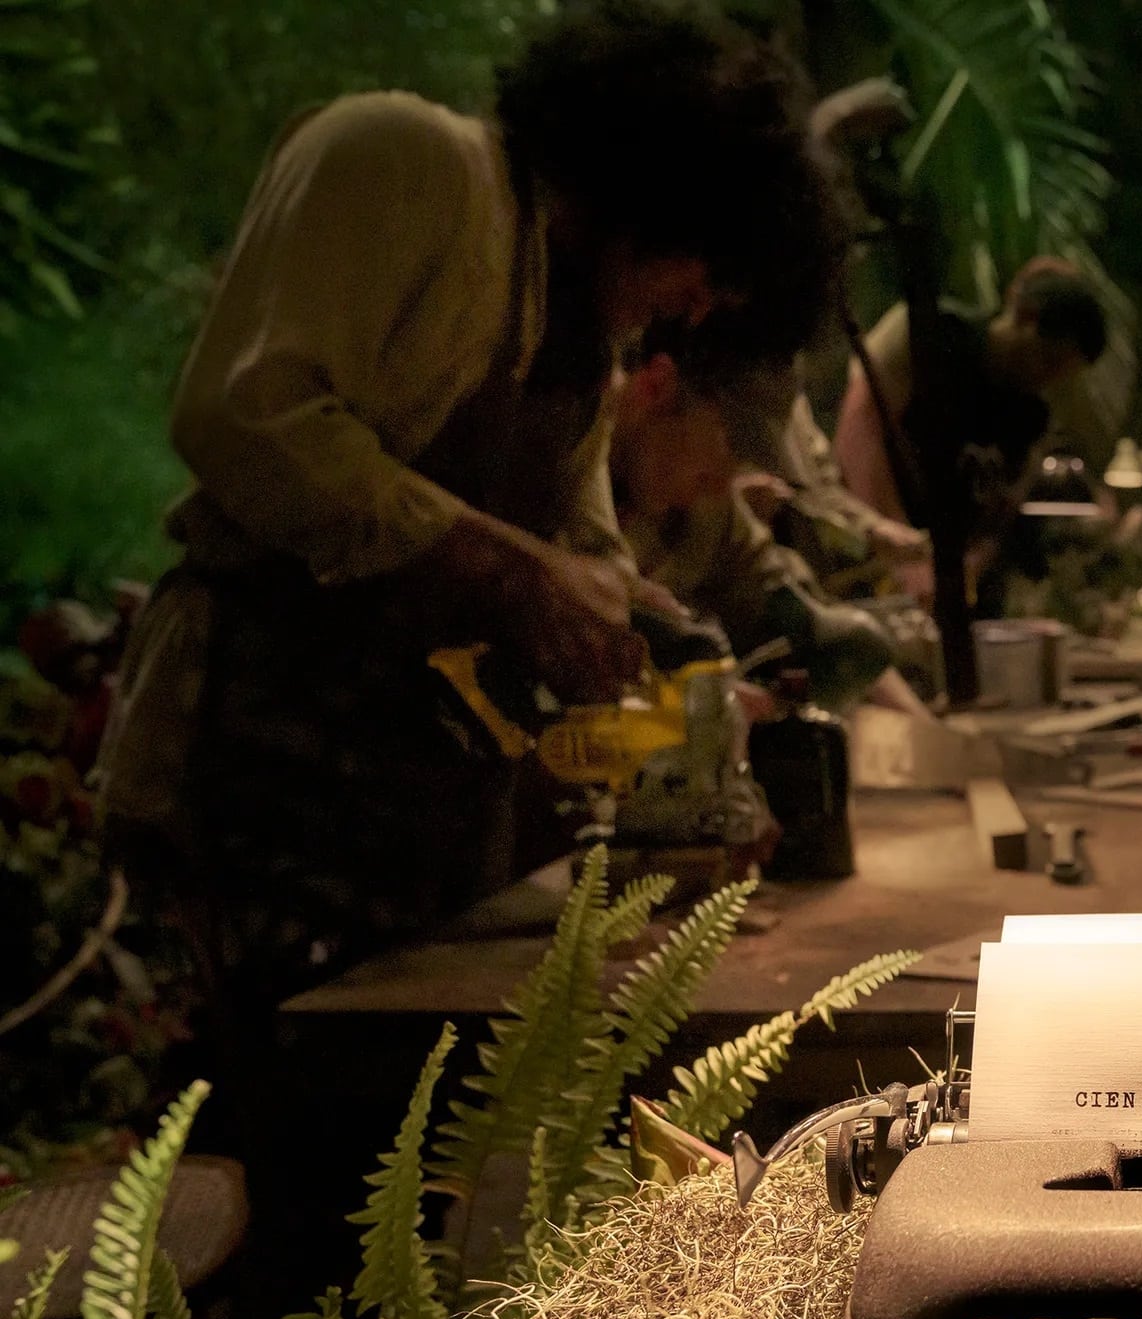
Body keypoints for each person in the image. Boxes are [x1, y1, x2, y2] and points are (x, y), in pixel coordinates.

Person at [97, 0, 840, 988]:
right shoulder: (402, 160)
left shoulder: (578, 329)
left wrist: (672, 685)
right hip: (255, 767)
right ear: (661, 186)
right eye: (707, 272)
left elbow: (581, 550)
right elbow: (245, 418)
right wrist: (510, 570)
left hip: (415, 812)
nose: (694, 311)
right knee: (263, 1067)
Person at [611, 348, 936, 718]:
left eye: (737, 467)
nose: (721, 487)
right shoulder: (566, 481)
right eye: (714, 464)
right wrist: (707, 695)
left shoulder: (708, 507)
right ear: (656, 386)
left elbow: (786, 605)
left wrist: (924, 728)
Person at [832, 260, 1110, 608]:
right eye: (1048, 359)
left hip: (932, 588)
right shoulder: (923, 332)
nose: (1047, 379)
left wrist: (965, 571)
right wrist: (904, 556)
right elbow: (857, 439)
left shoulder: (1030, 415)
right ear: (1025, 316)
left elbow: (1001, 511)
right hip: (859, 555)